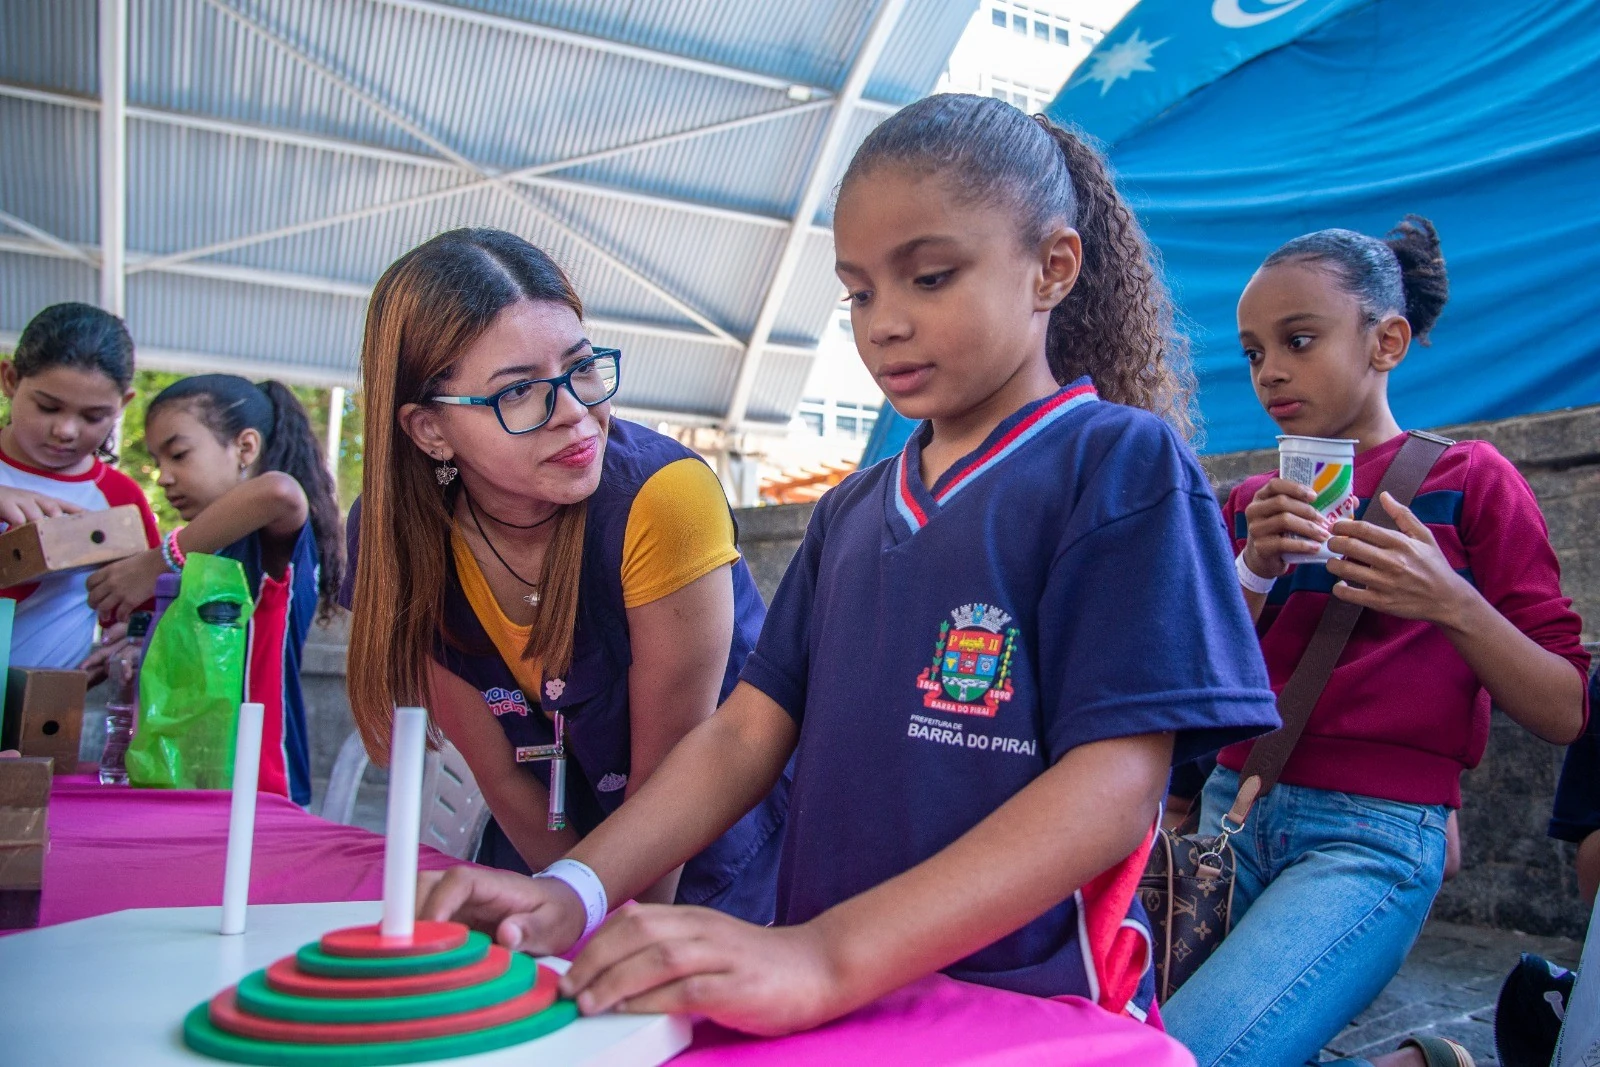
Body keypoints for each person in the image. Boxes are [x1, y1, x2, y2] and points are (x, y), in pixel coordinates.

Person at [418, 94, 1281, 1038]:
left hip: (1023, 1011)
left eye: (930, 278)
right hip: (831, 1006)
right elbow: (743, 735)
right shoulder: (851, 511)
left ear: (1053, 268)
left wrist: (826, 954)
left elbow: (1114, 788)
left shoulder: (1121, 466)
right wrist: (577, 888)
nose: (886, 324)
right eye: (860, 293)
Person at [1163, 217, 1591, 1067]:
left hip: (1372, 836)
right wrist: (1252, 567)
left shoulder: (1470, 480)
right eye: (1253, 352)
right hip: (1231, 813)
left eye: (1299, 340)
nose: (1271, 370)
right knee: (1108, 1040)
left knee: (1190, 1054)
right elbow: (1189, 684)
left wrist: (1450, 600)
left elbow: (1566, 708)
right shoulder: (1251, 501)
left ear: (1386, 341)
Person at [342, 228, 786, 921]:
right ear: (429, 430)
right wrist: (561, 910)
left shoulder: (664, 501)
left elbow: (668, 782)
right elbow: (504, 777)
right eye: (519, 391)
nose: (576, 412)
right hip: (550, 858)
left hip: (711, 860)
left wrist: (601, 924)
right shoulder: (396, 537)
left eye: (581, 368)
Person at [86, 375, 343, 806]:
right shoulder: (215, 551)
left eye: (178, 454)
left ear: (245, 447)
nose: (163, 477)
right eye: (157, 460)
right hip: (204, 780)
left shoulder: (271, 538)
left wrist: (157, 562)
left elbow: (279, 492)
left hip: (262, 790)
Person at [0, 303, 159, 670]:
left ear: (123, 405)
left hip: (48, 703)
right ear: (9, 379)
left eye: (93, 416)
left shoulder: (121, 501)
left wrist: (131, 642)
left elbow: (142, 612)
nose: (66, 430)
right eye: (48, 407)